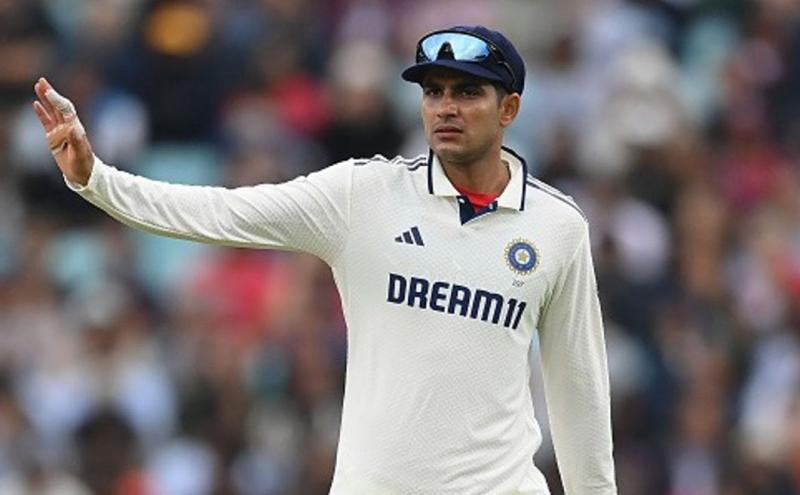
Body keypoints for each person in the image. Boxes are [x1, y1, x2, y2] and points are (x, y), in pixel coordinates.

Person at [33, 25, 617, 495]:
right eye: (433, 92)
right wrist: (95, 179)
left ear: (509, 108)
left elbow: (579, 390)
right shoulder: (363, 196)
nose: (445, 108)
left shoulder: (557, 227)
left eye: (467, 92)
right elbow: (217, 212)